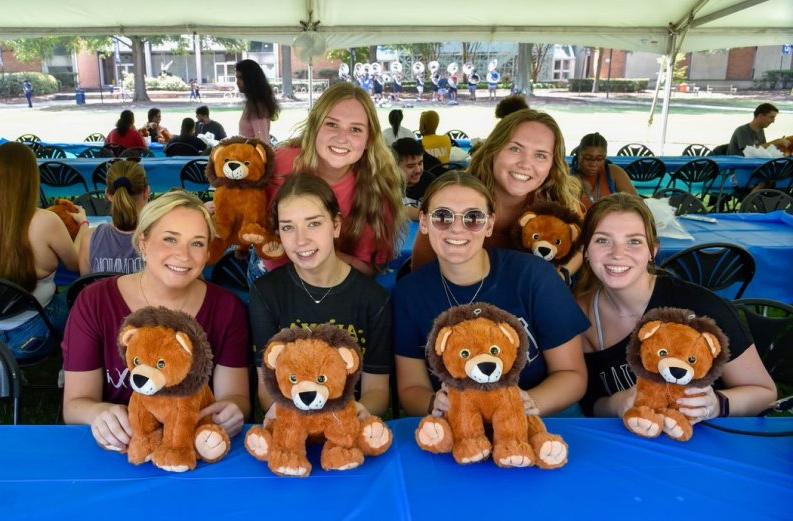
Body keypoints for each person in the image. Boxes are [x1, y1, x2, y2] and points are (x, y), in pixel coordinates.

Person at [62, 190, 251, 452]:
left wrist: (230, 411)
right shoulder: (95, 302)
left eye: (196, 243)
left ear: (208, 252)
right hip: (120, 447)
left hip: (191, 446)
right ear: (143, 243)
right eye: (170, 239)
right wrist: (98, 413)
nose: (183, 255)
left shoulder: (226, 308)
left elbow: (236, 397)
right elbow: (74, 405)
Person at [394, 172, 589, 417]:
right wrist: (435, 404)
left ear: (489, 224)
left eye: (473, 218)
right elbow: (411, 388)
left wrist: (526, 404)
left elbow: (572, 374)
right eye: (442, 217)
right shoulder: (409, 293)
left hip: (545, 418)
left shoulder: (534, 276)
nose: (457, 228)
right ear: (423, 222)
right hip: (456, 427)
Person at [574, 193, 777, 421]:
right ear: (585, 251)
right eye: (603, 240)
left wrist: (716, 404)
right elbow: (591, 404)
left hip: (702, 441)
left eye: (634, 241)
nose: (618, 254)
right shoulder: (578, 316)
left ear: (653, 250)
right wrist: (617, 403)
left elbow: (765, 393)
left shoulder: (700, 307)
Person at [249, 173, 392, 417]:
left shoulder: (374, 299)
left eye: (314, 224)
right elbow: (267, 387)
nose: (301, 240)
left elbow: (377, 389)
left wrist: (357, 413)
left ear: (336, 226)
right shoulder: (266, 293)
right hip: (292, 421)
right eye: (288, 227)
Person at [253, 82, 405, 278]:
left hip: (336, 286)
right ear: (315, 127)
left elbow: (368, 270)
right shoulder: (279, 164)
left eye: (356, 129)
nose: (342, 138)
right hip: (271, 278)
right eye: (332, 124)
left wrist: (315, 254)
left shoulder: (376, 189)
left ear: (368, 139)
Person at [411, 109, 584, 280]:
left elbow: (581, 246)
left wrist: (564, 272)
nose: (525, 164)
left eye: (540, 155)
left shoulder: (557, 208)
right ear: (493, 149)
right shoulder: (452, 201)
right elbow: (420, 278)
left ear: (552, 165)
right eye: (515, 149)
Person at [0, 142, 86, 361]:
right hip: (33, 335)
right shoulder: (47, 221)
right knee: (86, 296)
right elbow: (77, 265)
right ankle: (74, 364)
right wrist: (83, 225)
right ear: (32, 179)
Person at [78, 160, 149, 275]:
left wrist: (83, 224)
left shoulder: (90, 239)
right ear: (146, 192)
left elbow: (85, 286)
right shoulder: (161, 237)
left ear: (108, 195)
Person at [571, 132, 637, 210]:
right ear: (578, 155)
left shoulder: (614, 173)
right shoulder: (568, 177)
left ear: (605, 157)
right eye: (588, 158)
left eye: (599, 159)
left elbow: (636, 203)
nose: (593, 164)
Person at [236, 58, 279, 143]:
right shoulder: (252, 104)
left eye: (240, 78)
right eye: (237, 78)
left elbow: (263, 143)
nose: (237, 82)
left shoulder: (258, 107)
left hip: (253, 155)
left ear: (251, 80)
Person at [392, 138, 434, 220]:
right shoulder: (386, 183)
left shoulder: (430, 182)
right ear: (394, 167)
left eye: (420, 163)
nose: (418, 170)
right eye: (410, 166)